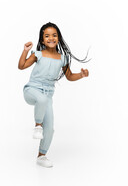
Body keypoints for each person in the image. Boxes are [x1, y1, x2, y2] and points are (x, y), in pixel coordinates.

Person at [18, 22, 91, 168]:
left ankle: (42, 156)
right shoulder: (37, 54)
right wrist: (25, 50)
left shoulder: (62, 58)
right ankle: (38, 125)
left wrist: (81, 75)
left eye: (54, 35)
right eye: (47, 36)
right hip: (32, 90)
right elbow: (21, 66)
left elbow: (69, 76)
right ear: (42, 40)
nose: (51, 38)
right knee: (41, 99)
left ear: (58, 37)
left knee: (50, 128)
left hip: (47, 95)